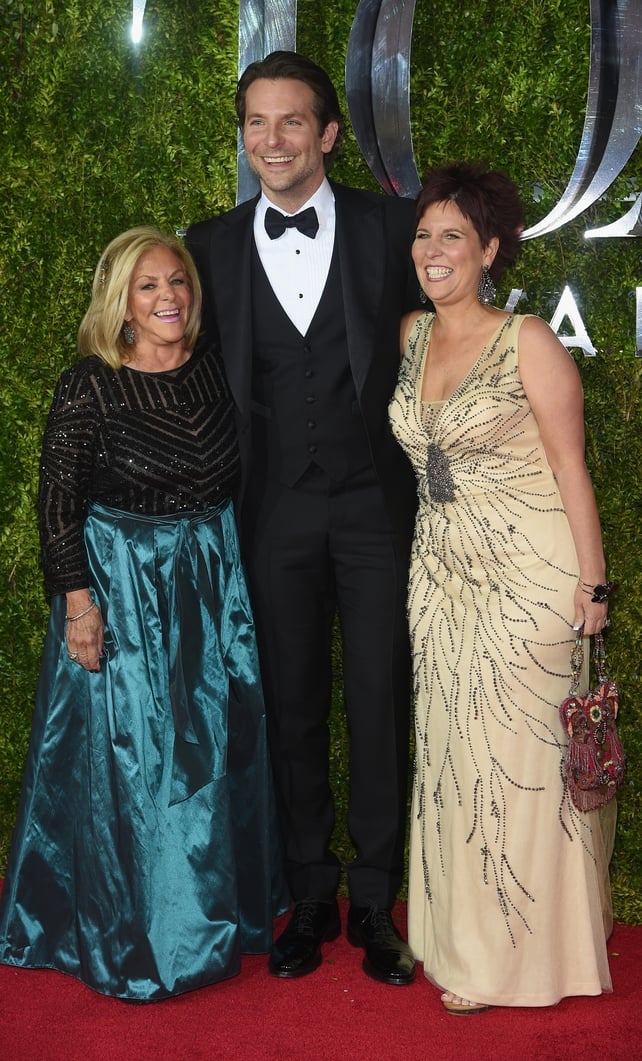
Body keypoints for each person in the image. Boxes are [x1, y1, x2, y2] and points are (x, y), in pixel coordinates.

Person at [0, 226, 286, 1001]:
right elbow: (56, 503)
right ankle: (145, 935)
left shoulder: (212, 369)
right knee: (138, 762)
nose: (169, 298)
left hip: (208, 585)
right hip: (123, 589)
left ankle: (212, 912)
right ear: (121, 303)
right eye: (149, 287)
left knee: (213, 749)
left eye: (178, 283)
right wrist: (78, 606)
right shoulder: (89, 383)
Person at [186, 51, 420, 985]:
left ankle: (375, 901)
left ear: (327, 133)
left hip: (374, 507)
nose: (271, 140)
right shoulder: (208, 244)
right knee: (289, 705)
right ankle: (309, 892)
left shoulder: (392, 226)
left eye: (292, 122)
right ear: (243, 136)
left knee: (376, 699)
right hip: (270, 509)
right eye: (256, 123)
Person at [389, 161, 615, 1012]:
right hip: (439, 579)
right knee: (452, 759)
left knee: (517, 767)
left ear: (490, 250)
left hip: (530, 579)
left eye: (453, 236)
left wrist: (594, 591)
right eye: (424, 234)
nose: (433, 250)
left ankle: (515, 960)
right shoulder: (411, 334)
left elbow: (571, 468)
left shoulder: (529, 341)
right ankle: (460, 941)